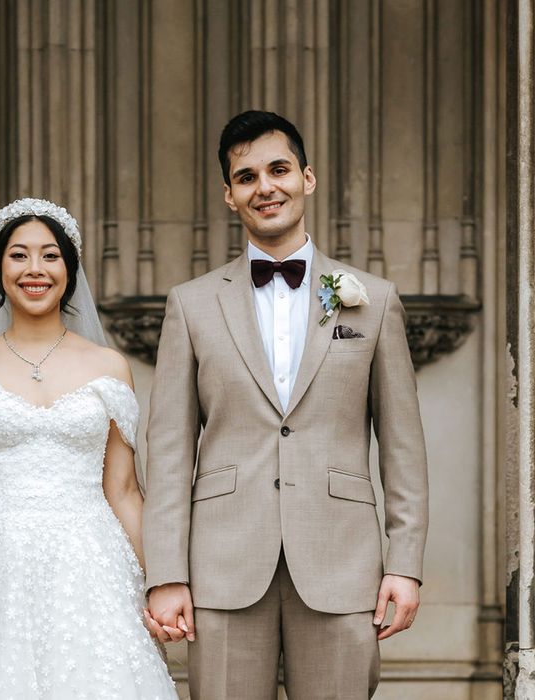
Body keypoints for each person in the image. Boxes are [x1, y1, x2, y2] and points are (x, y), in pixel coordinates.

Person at [142, 110, 429, 699]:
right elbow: (168, 450)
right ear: (229, 195)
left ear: (308, 178)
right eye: (246, 177)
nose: (265, 187)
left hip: (342, 563)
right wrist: (166, 574)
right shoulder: (191, 305)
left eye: (279, 169)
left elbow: (403, 446)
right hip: (221, 567)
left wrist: (404, 563)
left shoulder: (371, 300)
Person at [0, 198, 177, 699]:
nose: (35, 270)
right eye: (19, 255)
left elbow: (126, 490)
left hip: (89, 565)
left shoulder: (109, 368)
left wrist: (158, 584)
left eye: (50, 255)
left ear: (69, 269)